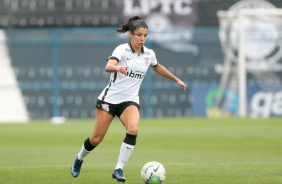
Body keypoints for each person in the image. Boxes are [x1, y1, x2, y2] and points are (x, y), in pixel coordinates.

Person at [70, 15, 187, 182]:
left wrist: (176, 79)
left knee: (133, 129)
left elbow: (157, 67)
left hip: (129, 101)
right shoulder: (121, 50)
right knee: (96, 138)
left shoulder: (149, 54)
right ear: (131, 34)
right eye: (139, 35)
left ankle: (118, 169)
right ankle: (79, 158)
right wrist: (118, 68)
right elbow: (108, 67)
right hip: (109, 100)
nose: (142, 38)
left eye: (145, 35)